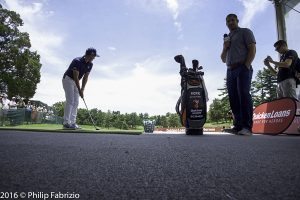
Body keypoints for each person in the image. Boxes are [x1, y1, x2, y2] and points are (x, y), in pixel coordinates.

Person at [220, 14, 256, 136]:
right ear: (226, 23)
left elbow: (252, 49)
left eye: (232, 20)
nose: (230, 22)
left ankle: (247, 127)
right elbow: (223, 59)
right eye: (228, 21)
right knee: (233, 98)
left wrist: (246, 65)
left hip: (242, 67)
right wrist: (225, 48)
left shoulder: (245, 32)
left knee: (244, 96)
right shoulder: (227, 39)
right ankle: (238, 126)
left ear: (237, 21)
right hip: (230, 70)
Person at [62, 48, 99, 129]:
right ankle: (66, 123)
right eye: (93, 56)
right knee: (70, 100)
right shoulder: (77, 61)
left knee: (76, 102)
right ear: (89, 55)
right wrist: (79, 90)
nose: (94, 58)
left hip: (76, 81)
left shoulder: (90, 64)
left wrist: (82, 89)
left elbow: (85, 77)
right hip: (68, 79)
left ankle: (73, 123)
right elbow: (75, 76)